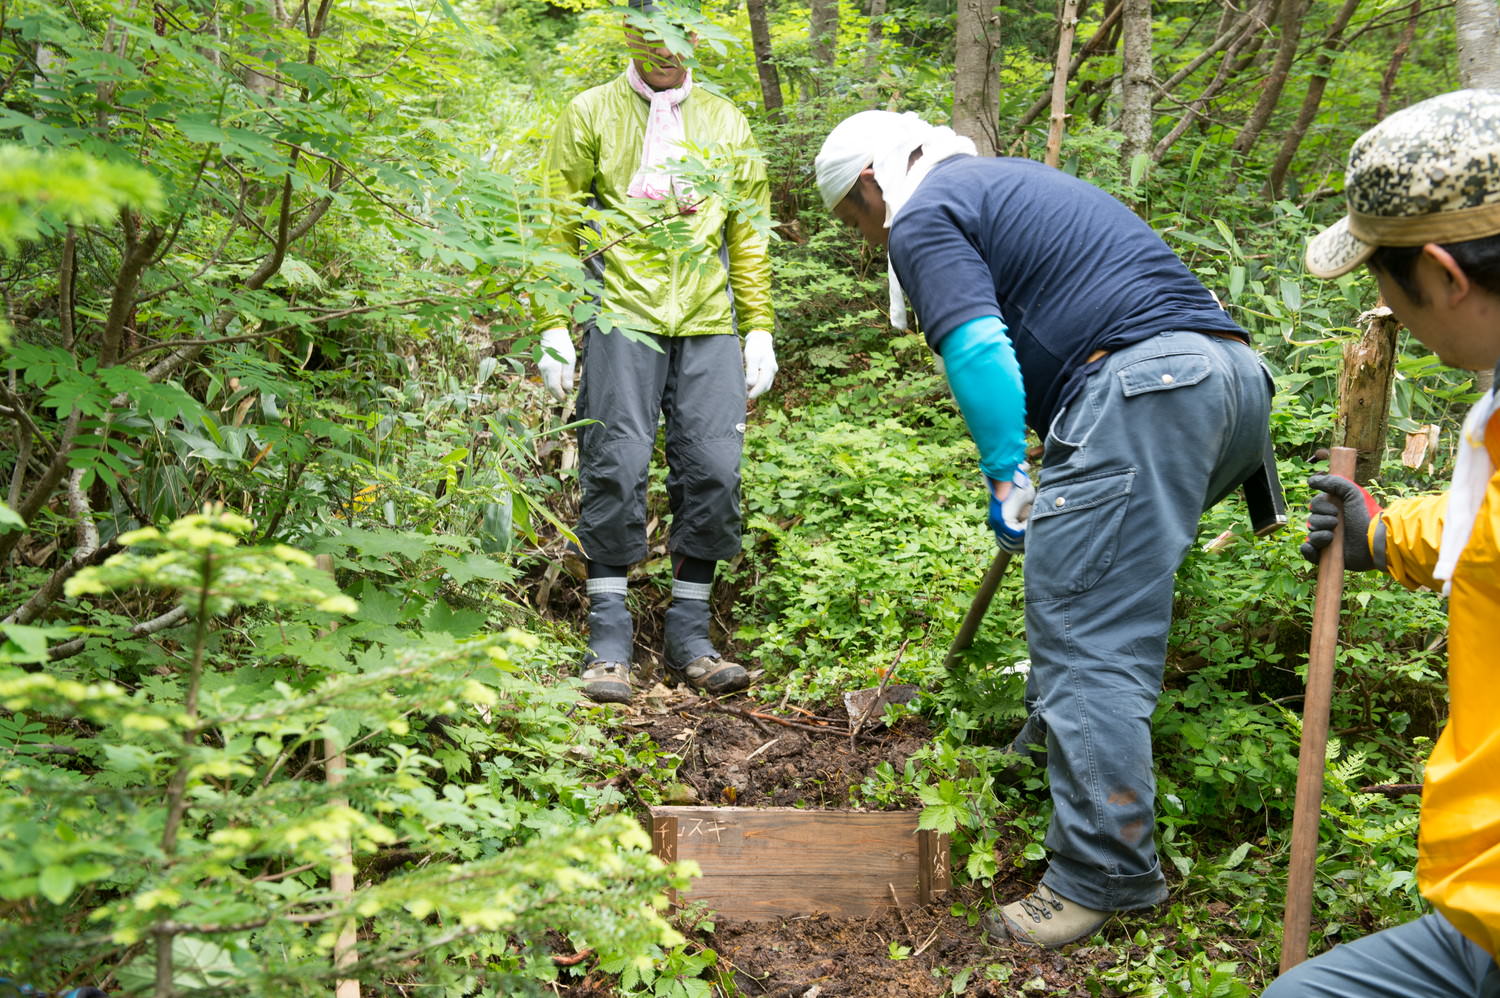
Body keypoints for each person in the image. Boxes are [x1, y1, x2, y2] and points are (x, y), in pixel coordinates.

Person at [813, 111, 1276, 947]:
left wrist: (1005, 473)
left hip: (1147, 388)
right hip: (1232, 382)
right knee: (1086, 582)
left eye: (855, 217)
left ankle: (1105, 875)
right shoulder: (1003, 183)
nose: (866, 236)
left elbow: (980, 347)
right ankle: (1043, 757)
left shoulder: (922, 212)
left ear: (872, 182)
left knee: (1084, 628)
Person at [1265, 88, 1500, 997]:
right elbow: (1484, 524)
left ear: (1442, 273)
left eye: (1382, 279)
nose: (1387, 308)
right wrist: (1383, 534)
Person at [535, 0, 777, 704]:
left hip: (708, 317)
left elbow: (748, 231)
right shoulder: (590, 113)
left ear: (695, 39)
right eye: (650, 33)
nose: (665, 49)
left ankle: (690, 639)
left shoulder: (726, 120)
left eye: (678, 36)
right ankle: (608, 640)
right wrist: (553, 320)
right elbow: (558, 221)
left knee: (716, 468)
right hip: (620, 313)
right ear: (630, 35)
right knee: (617, 462)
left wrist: (757, 326)